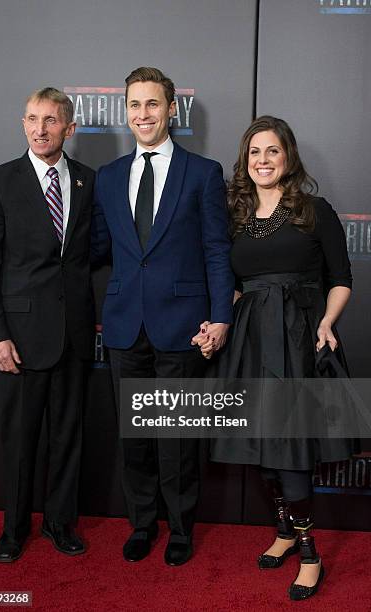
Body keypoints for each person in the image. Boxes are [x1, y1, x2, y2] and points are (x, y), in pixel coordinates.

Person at [193, 116, 353, 600]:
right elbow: (234, 286)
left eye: (272, 152)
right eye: (254, 152)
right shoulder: (233, 214)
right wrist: (218, 320)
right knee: (261, 446)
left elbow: (341, 277)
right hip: (249, 341)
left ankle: (309, 554)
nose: (262, 160)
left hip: (300, 338)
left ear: (288, 158)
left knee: (292, 448)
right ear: (245, 160)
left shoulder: (313, 210)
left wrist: (327, 323)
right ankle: (284, 531)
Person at [91, 67, 234, 566]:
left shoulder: (203, 172)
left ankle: (179, 528)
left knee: (176, 437)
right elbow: (98, 249)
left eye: (153, 104)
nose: (143, 114)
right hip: (126, 324)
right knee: (135, 436)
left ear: (171, 109)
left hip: (183, 324)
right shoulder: (108, 178)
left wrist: (221, 317)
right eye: (134, 105)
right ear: (125, 110)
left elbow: (217, 249)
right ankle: (142, 523)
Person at [0, 88, 95, 562]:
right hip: (19, 338)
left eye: (50, 120)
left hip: (75, 334)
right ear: (23, 123)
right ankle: (14, 528)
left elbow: (91, 255)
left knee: (68, 437)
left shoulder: (88, 182)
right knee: (21, 441)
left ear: (69, 127)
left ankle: (60, 524)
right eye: (31, 119)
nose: (39, 129)